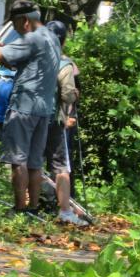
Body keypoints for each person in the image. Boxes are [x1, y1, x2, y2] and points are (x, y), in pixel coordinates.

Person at [0, 0, 61, 215]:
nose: (15, 29)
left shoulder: (32, 39)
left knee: (17, 159)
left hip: (23, 107)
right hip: (44, 109)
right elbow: (31, 64)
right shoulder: (52, 38)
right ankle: (33, 208)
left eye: (14, 24)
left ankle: (19, 209)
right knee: (34, 162)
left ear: (24, 21)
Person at [42, 20, 87, 226]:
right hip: (54, 119)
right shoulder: (65, 64)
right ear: (64, 40)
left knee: (32, 163)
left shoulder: (35, 59)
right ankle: (64, 210)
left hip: (32, 116)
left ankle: (32, 205)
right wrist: (74, 95)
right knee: (61, 167)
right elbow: (68, 95)